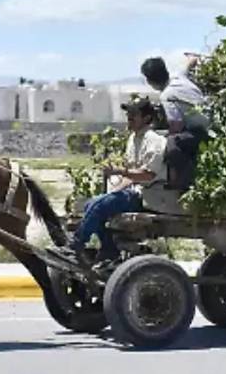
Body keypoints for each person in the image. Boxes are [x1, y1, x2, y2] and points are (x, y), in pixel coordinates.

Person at [67, 97, 166, 263]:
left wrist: (120, 171)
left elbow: (148, 175)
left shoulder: (154, 141)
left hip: (148, 196)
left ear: (147, 118)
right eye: (128, 113)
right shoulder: (133, 139)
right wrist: (115, 190)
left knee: (99, 206)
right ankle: (108, 247)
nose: (129, 117)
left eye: (134, 114)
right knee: (91, 204)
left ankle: (77, 245)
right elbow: (130, 176)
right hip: (132, 192)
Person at [140, 56, 209, 190]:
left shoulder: (166, 95)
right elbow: (190, 63)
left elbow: (176, 124)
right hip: (212, 124)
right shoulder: (179, 77)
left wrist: (162, 136)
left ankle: (180, 182)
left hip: (202, 132)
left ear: (150, 81)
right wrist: (192, 58)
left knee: (171, 143)